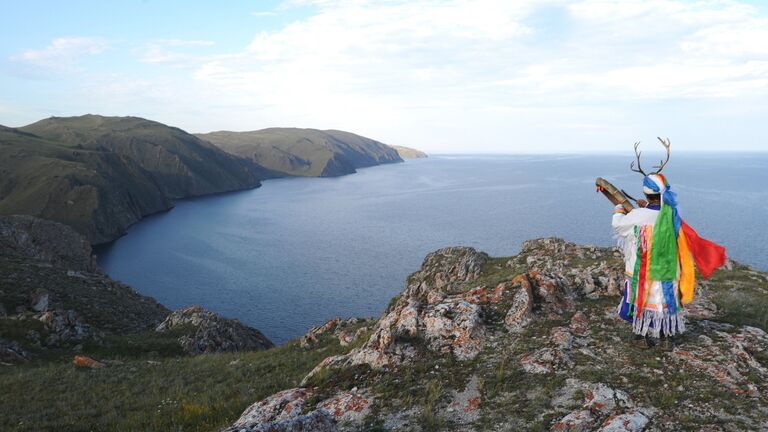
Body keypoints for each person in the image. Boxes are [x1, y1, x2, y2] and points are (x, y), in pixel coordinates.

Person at [612, 140, 726, 351]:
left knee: (641, 301)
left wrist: (620, 208)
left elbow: (618, 226)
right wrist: (646, 206)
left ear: (646, 195)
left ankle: (641, 337)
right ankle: (666, 339)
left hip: (642, 270)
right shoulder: (671, 215)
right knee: (663, 303)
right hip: (667, 270)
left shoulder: (638, 216)